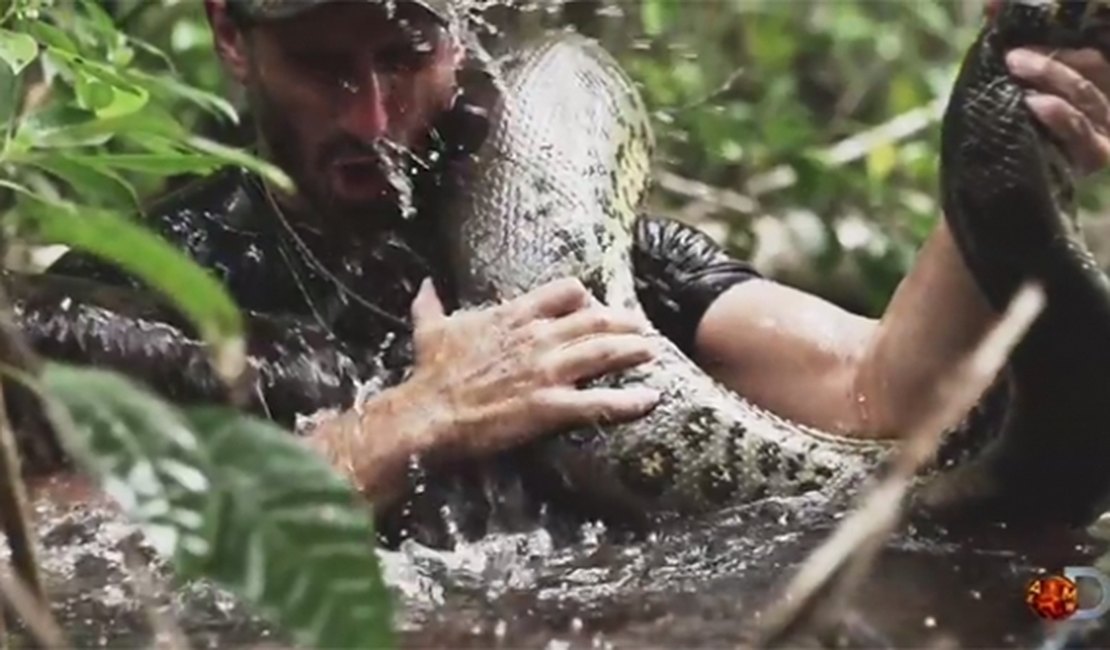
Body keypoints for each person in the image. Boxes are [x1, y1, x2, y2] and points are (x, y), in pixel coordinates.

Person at [33, 0, 1110, 527]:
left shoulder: (578, 243)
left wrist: (1000, 143)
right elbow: (50, 540)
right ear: (233, 34)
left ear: (461, 28)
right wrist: (406, 421)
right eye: (322, 67)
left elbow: (883, 394)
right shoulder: (153, 277)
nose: (370, 113)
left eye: (405, 53)